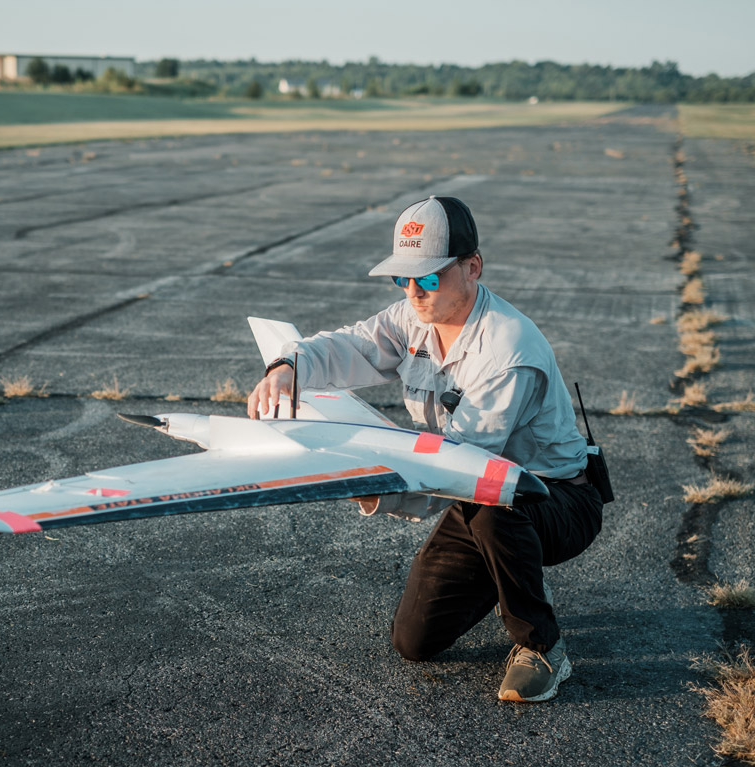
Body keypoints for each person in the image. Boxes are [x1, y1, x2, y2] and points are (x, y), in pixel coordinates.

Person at [247, 196, 603, 702]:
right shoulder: (414, 316)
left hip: (556, 498)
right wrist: (288, 365)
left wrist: (370, 484)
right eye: (402, 278)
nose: (414, 292)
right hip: (478, 499)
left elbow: (462, 464)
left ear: (472, 267)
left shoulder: (508, 351)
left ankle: (542, 646)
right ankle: (505, 582)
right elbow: (354, 345)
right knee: (414, 642)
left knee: (492, 501)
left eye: (429, 277)